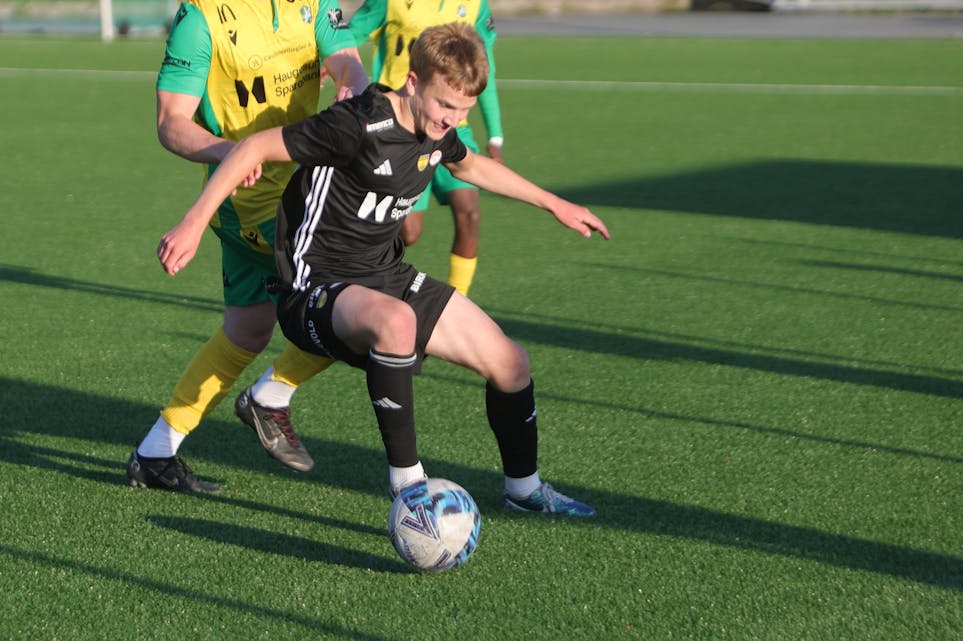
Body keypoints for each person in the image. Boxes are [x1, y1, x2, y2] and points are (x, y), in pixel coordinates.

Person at [155, 23, 609, 515]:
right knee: (396, 322)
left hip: (385, 275)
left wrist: (555, 203)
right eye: (445, 106)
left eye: (464, 111)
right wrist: (192, 224)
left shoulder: (437, 130)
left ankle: (525, 491)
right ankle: (409, 486)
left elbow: (469, 165)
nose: (453, 120)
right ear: (413, 82)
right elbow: (253, 147)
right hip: (315, 284)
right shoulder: (356, 124)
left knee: (511, 363)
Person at [126, 0, 370, 493]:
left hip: (306, 190)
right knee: (361, 303)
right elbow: (171, 121)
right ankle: (271, 395)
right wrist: (231, 153)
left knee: (247, 329)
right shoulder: (201, 17)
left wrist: (351, 85)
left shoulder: (314, 4)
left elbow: (349, 63)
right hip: (248, 204)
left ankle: (154, 453)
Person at [347, 0, 505, 297]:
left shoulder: (475, 6)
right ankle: (361, 277)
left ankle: (457, 302)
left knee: (469, 213)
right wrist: (334, 70)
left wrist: (495, 135)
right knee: (409, 232)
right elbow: (349, 37)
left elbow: (485, 71)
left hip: (452, 129)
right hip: (400, 126)